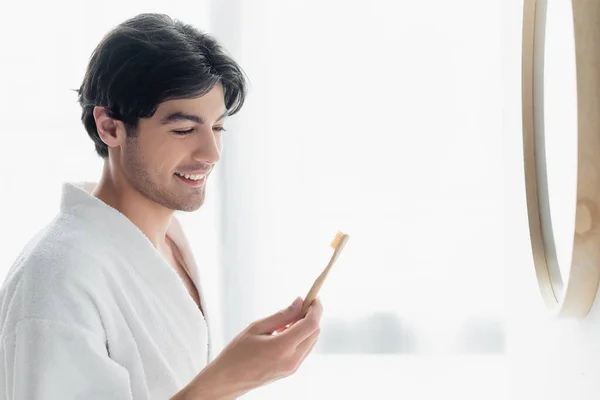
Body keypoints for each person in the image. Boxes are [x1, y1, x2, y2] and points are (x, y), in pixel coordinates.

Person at [0, 13, 322, 399]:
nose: (211, 153)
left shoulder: (166, 243)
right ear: (110, 127)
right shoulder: (59, 276)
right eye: (184, 130)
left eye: (217, 127)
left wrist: (242, 368)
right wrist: (226, 380)